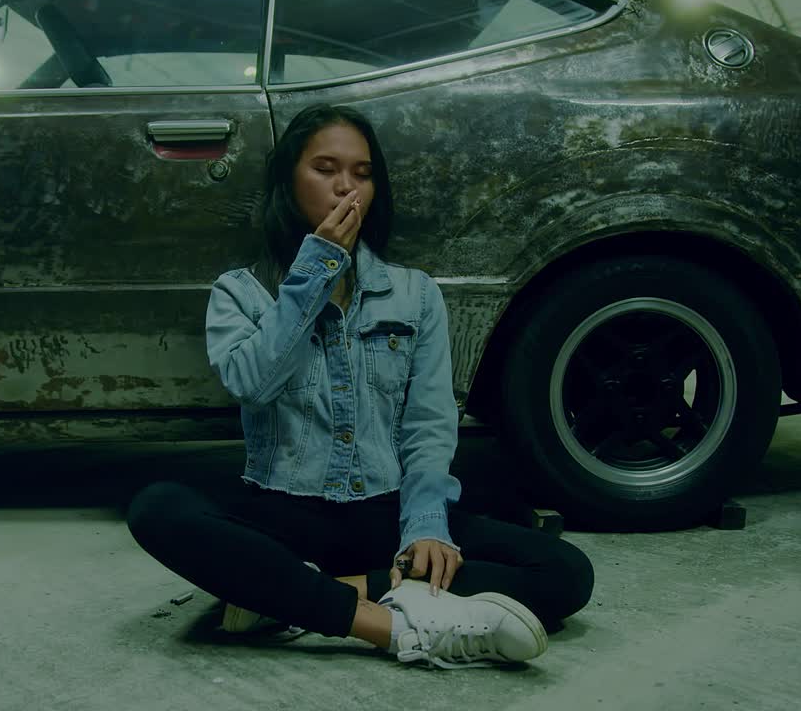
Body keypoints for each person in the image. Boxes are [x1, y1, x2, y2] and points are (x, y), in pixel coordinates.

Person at [128, 104, 593, 669]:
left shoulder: (415, 294)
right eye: (325, 167)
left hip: (386, 516)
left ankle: (297, 596)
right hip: (285, 516)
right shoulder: (241, 293)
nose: (346, 186)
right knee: (158, 510)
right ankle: (395, 627)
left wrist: (426, 527)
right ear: (288, 181)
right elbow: (252, 383)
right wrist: (316, 270)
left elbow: (428, 423)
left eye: (362, 173)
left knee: (566, 573)